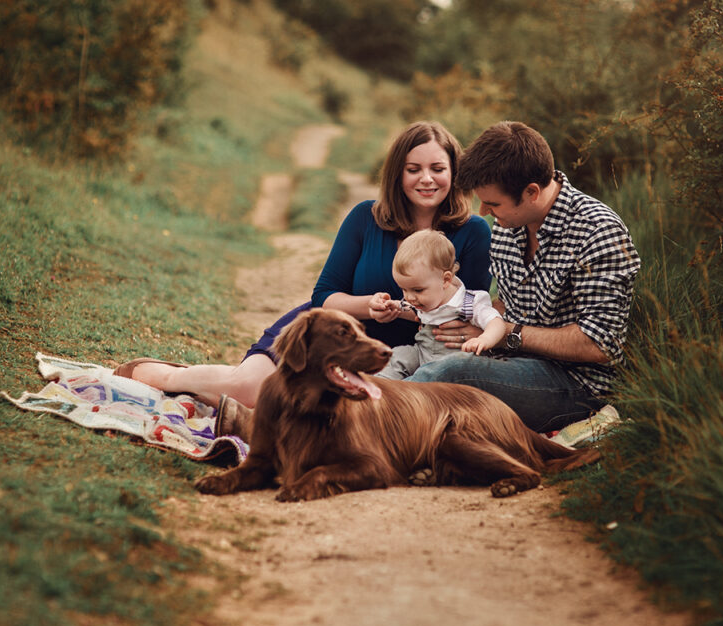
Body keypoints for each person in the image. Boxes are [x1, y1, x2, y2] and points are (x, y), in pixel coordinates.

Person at [113, 121, 492, 428]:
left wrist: (475, 332)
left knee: (325, 417)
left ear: (454, 174)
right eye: (414, 169)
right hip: (330, 334)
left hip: (407, 360)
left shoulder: (473, 232)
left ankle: (237, 407)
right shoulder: (366, 217)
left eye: (437, 169)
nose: (426, 179)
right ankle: (169, 378)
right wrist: (370, 308)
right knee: (250, 388)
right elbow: (325, 294)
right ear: (398, 174)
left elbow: (473, 305)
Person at [408, 121, 640, 434]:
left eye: (493, 203)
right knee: (417, 360)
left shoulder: (597, 232)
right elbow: (509, 303)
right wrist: (475, 322)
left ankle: (365, 423)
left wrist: (507, 332)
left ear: (531, 192)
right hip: (512, 364)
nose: (484, 211)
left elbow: (600, 344)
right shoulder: (507, 226)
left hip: (577, 385)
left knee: (452, 373)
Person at [371, 229, 506, 379]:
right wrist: (393, 306)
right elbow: (408, 308)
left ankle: (406, 391)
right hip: (423, 351)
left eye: (417, 290)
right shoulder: (425, 299)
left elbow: (496, 322)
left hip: (454, 362)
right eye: (403, 289)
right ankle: (381, 383)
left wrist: (485, 339)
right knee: (399, 355)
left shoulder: (469, 302)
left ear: (446, 280)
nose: (409, 297)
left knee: (438, 372)